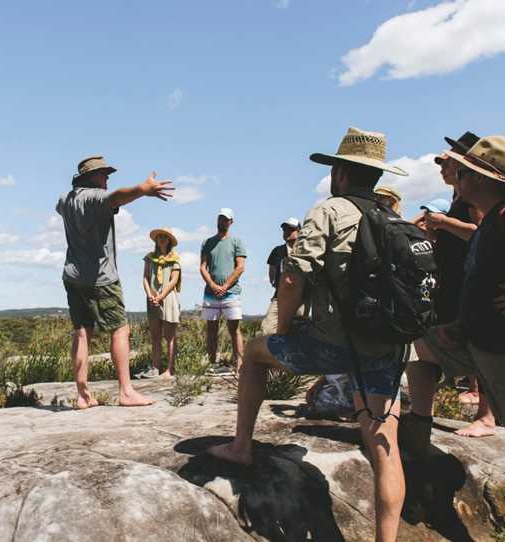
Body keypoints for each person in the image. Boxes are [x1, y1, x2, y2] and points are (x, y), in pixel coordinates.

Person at [208, 127, 410, 542]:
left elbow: (292, 277)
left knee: (254, 355)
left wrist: (282, 330)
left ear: (338, 172)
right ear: (374, 176)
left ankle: (242, 446)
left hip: (332, 342)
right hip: (386, 344)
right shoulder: (390, 216)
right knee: (385, 446)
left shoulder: (330, 210)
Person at [403, 136, 505, 508]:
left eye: (461, 172)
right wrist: (461, 324)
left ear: (478, 179)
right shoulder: (496, 218)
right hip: (480, 339)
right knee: (424, 349)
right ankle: (417, 436)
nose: (456, 179)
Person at [56, 155, 173, 409]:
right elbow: (116, 197)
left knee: (82, 332)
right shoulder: (95, 197)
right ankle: (126, 392)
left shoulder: (65, 200)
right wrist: (144, 189)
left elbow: (63, 207)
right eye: (103, 174)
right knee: (120, 329)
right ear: (90, 177)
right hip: (101, 277)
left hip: (73, 276)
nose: (107, 178)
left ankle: (83, 394)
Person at [419, 132, 496, 438]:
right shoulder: (457, 197)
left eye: (447, 160)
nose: (442, 165)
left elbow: (481, 232)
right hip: (454, 283)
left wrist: (443, 223)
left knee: (479, 349)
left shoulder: (470, 198)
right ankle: (426, 411)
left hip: (469, 283)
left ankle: (487, 415)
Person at [200, 208, 247, 373]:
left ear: (231, 222)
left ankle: (239, 364)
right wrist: (213, 285)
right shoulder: (207, 242)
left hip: (231, 292)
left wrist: (225, 286)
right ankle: (211, 363)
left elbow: (240, 267)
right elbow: (203, 267)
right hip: (210, 293)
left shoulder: (236, 242)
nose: (222, 222)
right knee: (211, 329)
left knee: (234, 329)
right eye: (220, 218)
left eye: (226, 219)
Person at [140, 227, 181, 378]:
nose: (162, 238)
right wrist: (150, 294)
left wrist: (161, 296)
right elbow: (145, 278)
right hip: (152, 298)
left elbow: (174, 280)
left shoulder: (174, 259)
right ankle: (155, 368)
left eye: (165, 236)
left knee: (169, 335)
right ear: (156, 240)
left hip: (168, 298)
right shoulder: (149, 258)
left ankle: (170, 370)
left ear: (170, 240)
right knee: (155, 335)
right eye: (160, 236)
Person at [261, 218, 301, 335]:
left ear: (299, 231)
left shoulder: (305, 250)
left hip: (301, 298)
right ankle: (273, 353)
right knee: (267, 329)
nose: (287, 232)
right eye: (284, 229)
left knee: (299, 329)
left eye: (291, 229)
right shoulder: (277, 251)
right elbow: (272, 270)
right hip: (279, 296)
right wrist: (275, 283)